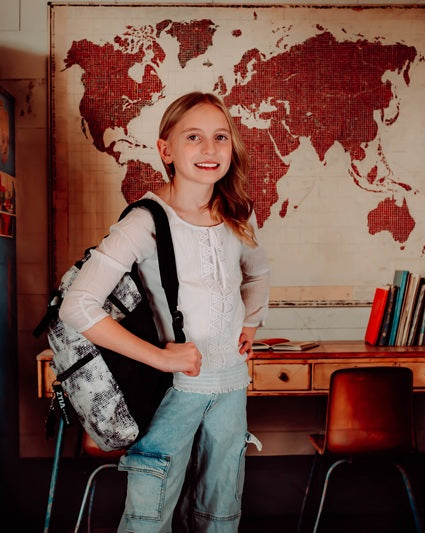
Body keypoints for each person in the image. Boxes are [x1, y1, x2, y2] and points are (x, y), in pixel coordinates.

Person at [59, 91, 270, 532]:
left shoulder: (236, 217)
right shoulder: (144, 221)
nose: (210, 149)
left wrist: (251, 321)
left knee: (220, 515)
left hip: (231, 387)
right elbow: (78, 306)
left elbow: (256, 275)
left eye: (221, 137)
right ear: (165, 149)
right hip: (170, 394)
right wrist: (160, 357)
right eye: (194, 137)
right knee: (149, 518)